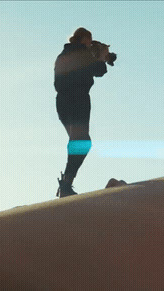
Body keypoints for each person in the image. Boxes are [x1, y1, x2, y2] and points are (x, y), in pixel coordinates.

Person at [54, 27, 109, 198]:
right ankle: (66, 184)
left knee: (77, 141)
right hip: (78, 99)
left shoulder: (63, 55)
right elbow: (100, 71)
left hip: (62, 102)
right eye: (90, 40)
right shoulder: (83, 53)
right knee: (82, 142)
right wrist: (101, 56)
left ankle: (66, 183)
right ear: (84, 39)